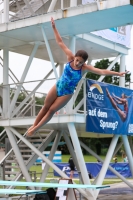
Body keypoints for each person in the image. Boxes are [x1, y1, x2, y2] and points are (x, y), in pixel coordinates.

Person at [27, 17, 127, 137]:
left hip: (67, 93)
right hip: (58, 85)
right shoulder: (70, 57)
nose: (78, 63)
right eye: (77, 60)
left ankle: (36, 128)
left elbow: (101, 71)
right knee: (45, 106)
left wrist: (118, 73)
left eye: (81, 62)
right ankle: (33, 126)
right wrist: (54, 28)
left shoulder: (84, 68)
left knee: (51, 110)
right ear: (74, 57)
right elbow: (60, 42)